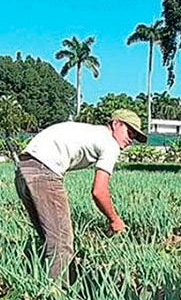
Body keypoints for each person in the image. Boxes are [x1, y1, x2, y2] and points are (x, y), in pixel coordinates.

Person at [15, 109, 147, 282]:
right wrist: (115, 220)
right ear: (116, 124)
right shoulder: (110, 143)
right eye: (129, 132)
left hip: (22, 170)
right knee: (61, 243)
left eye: (134, 137)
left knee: (49, 238)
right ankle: (54, 298)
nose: (130, 140)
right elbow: (99, 192)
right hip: (44, 172)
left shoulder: (90, 131)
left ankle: (39, 283)